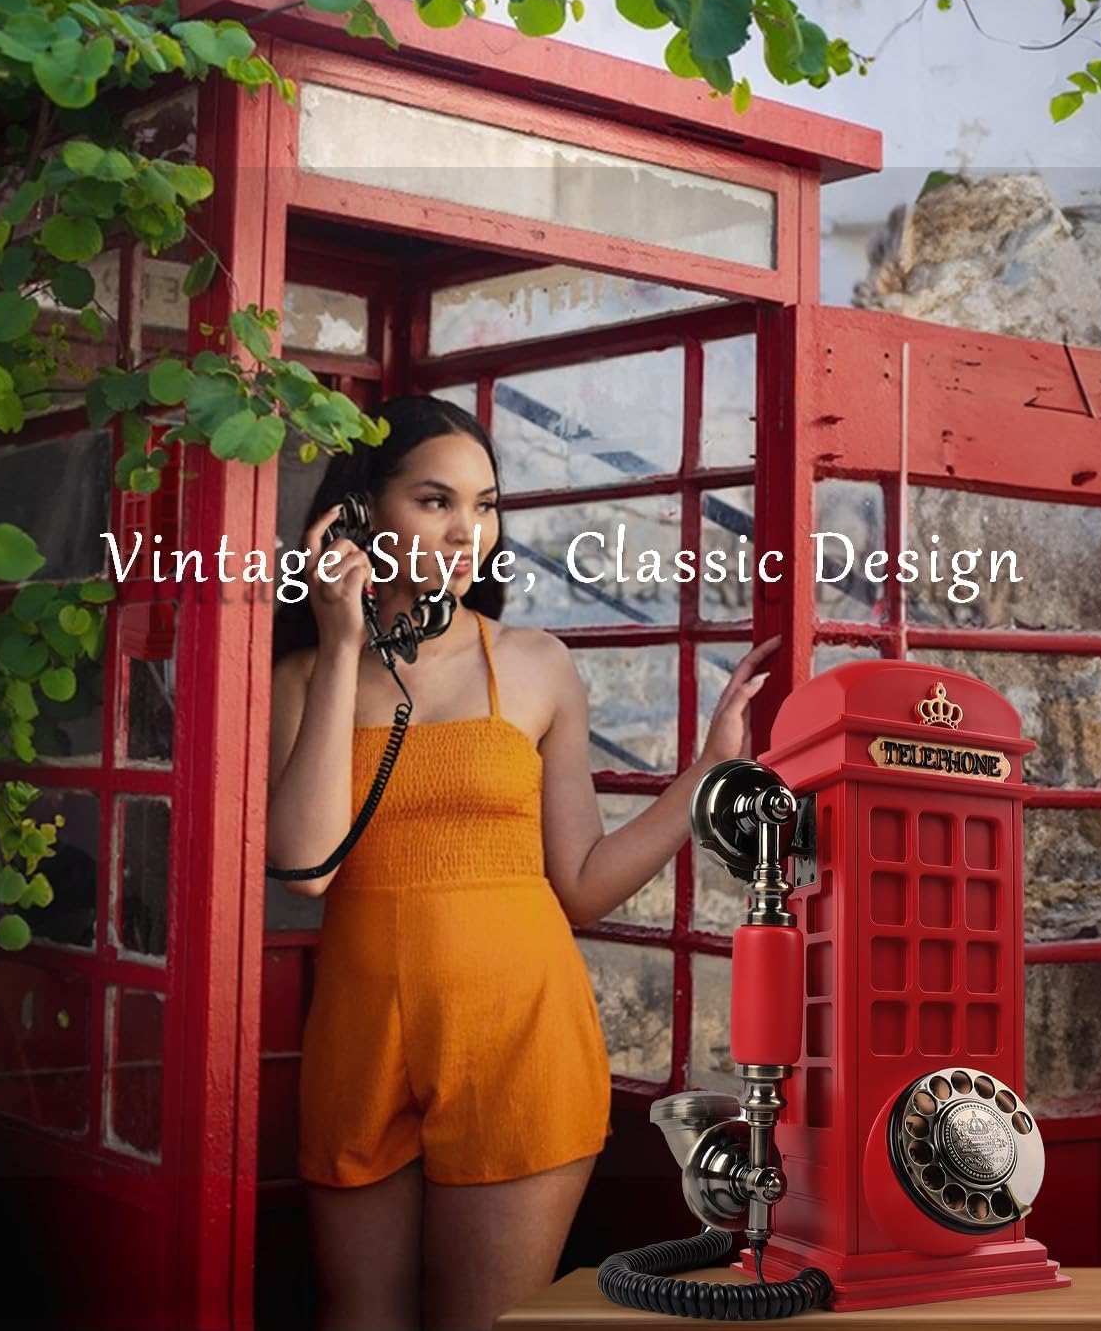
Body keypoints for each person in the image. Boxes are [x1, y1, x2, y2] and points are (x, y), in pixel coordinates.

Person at [266, 394, 779, 1331]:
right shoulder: (302, 680)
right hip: (359, 1038)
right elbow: (307, 868)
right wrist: (342, 644)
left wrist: (708, 773)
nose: (469, 531)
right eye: (436, 501)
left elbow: (580, 885)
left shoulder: (537, 664)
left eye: (487, 505)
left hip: (518, 1039)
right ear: (358, 514)